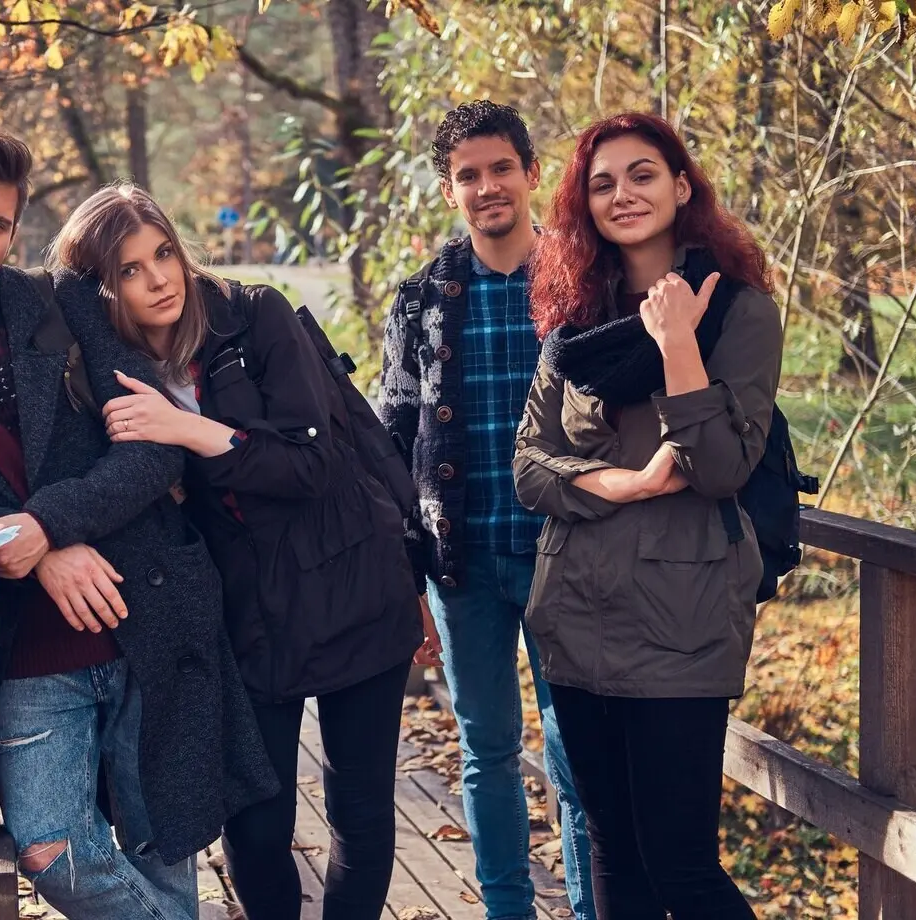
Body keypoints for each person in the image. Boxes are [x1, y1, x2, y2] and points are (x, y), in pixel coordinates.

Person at [0, 124, 277, 920]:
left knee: (163, 847)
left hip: (153, 611)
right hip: (27, 643)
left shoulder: (60, 304)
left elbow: (152, 451)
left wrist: (46, 525)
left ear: (14, 232)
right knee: (52, 849)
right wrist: (28, 549)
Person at [50, 182, 430, 920]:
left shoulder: (254, 316)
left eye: (164, 253)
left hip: (353, 582)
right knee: (256, 825)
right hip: (250, 616)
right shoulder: (106, 371)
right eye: (130, 269)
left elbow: (310, 466)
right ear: (103, 289)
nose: (159, 278)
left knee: (360, 809)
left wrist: (185, 429)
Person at [516, 111, 780, 919]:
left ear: (681, 186)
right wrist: (618, 485)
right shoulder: (573, 322)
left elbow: (722, 466)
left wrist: (676, 344)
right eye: (602, 183)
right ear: (583, 206)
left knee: (681, 868)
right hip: (576, 612)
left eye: (641, 174)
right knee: (612, 859)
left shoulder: (738, 310)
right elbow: (528, 465)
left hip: (681, 621)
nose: (622, 194)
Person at [378, 101, 596, 920]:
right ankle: (508, 909)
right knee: (487, 752)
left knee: (576, 758)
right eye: (467, 175)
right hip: (461, 563)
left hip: (568, 558)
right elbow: (392, 440)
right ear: (448, 192)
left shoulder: (585, 286)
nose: (486, 186)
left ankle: (586, 905)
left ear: (532, 174)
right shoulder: (422, 300)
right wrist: (406, 575)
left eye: (500, 168)